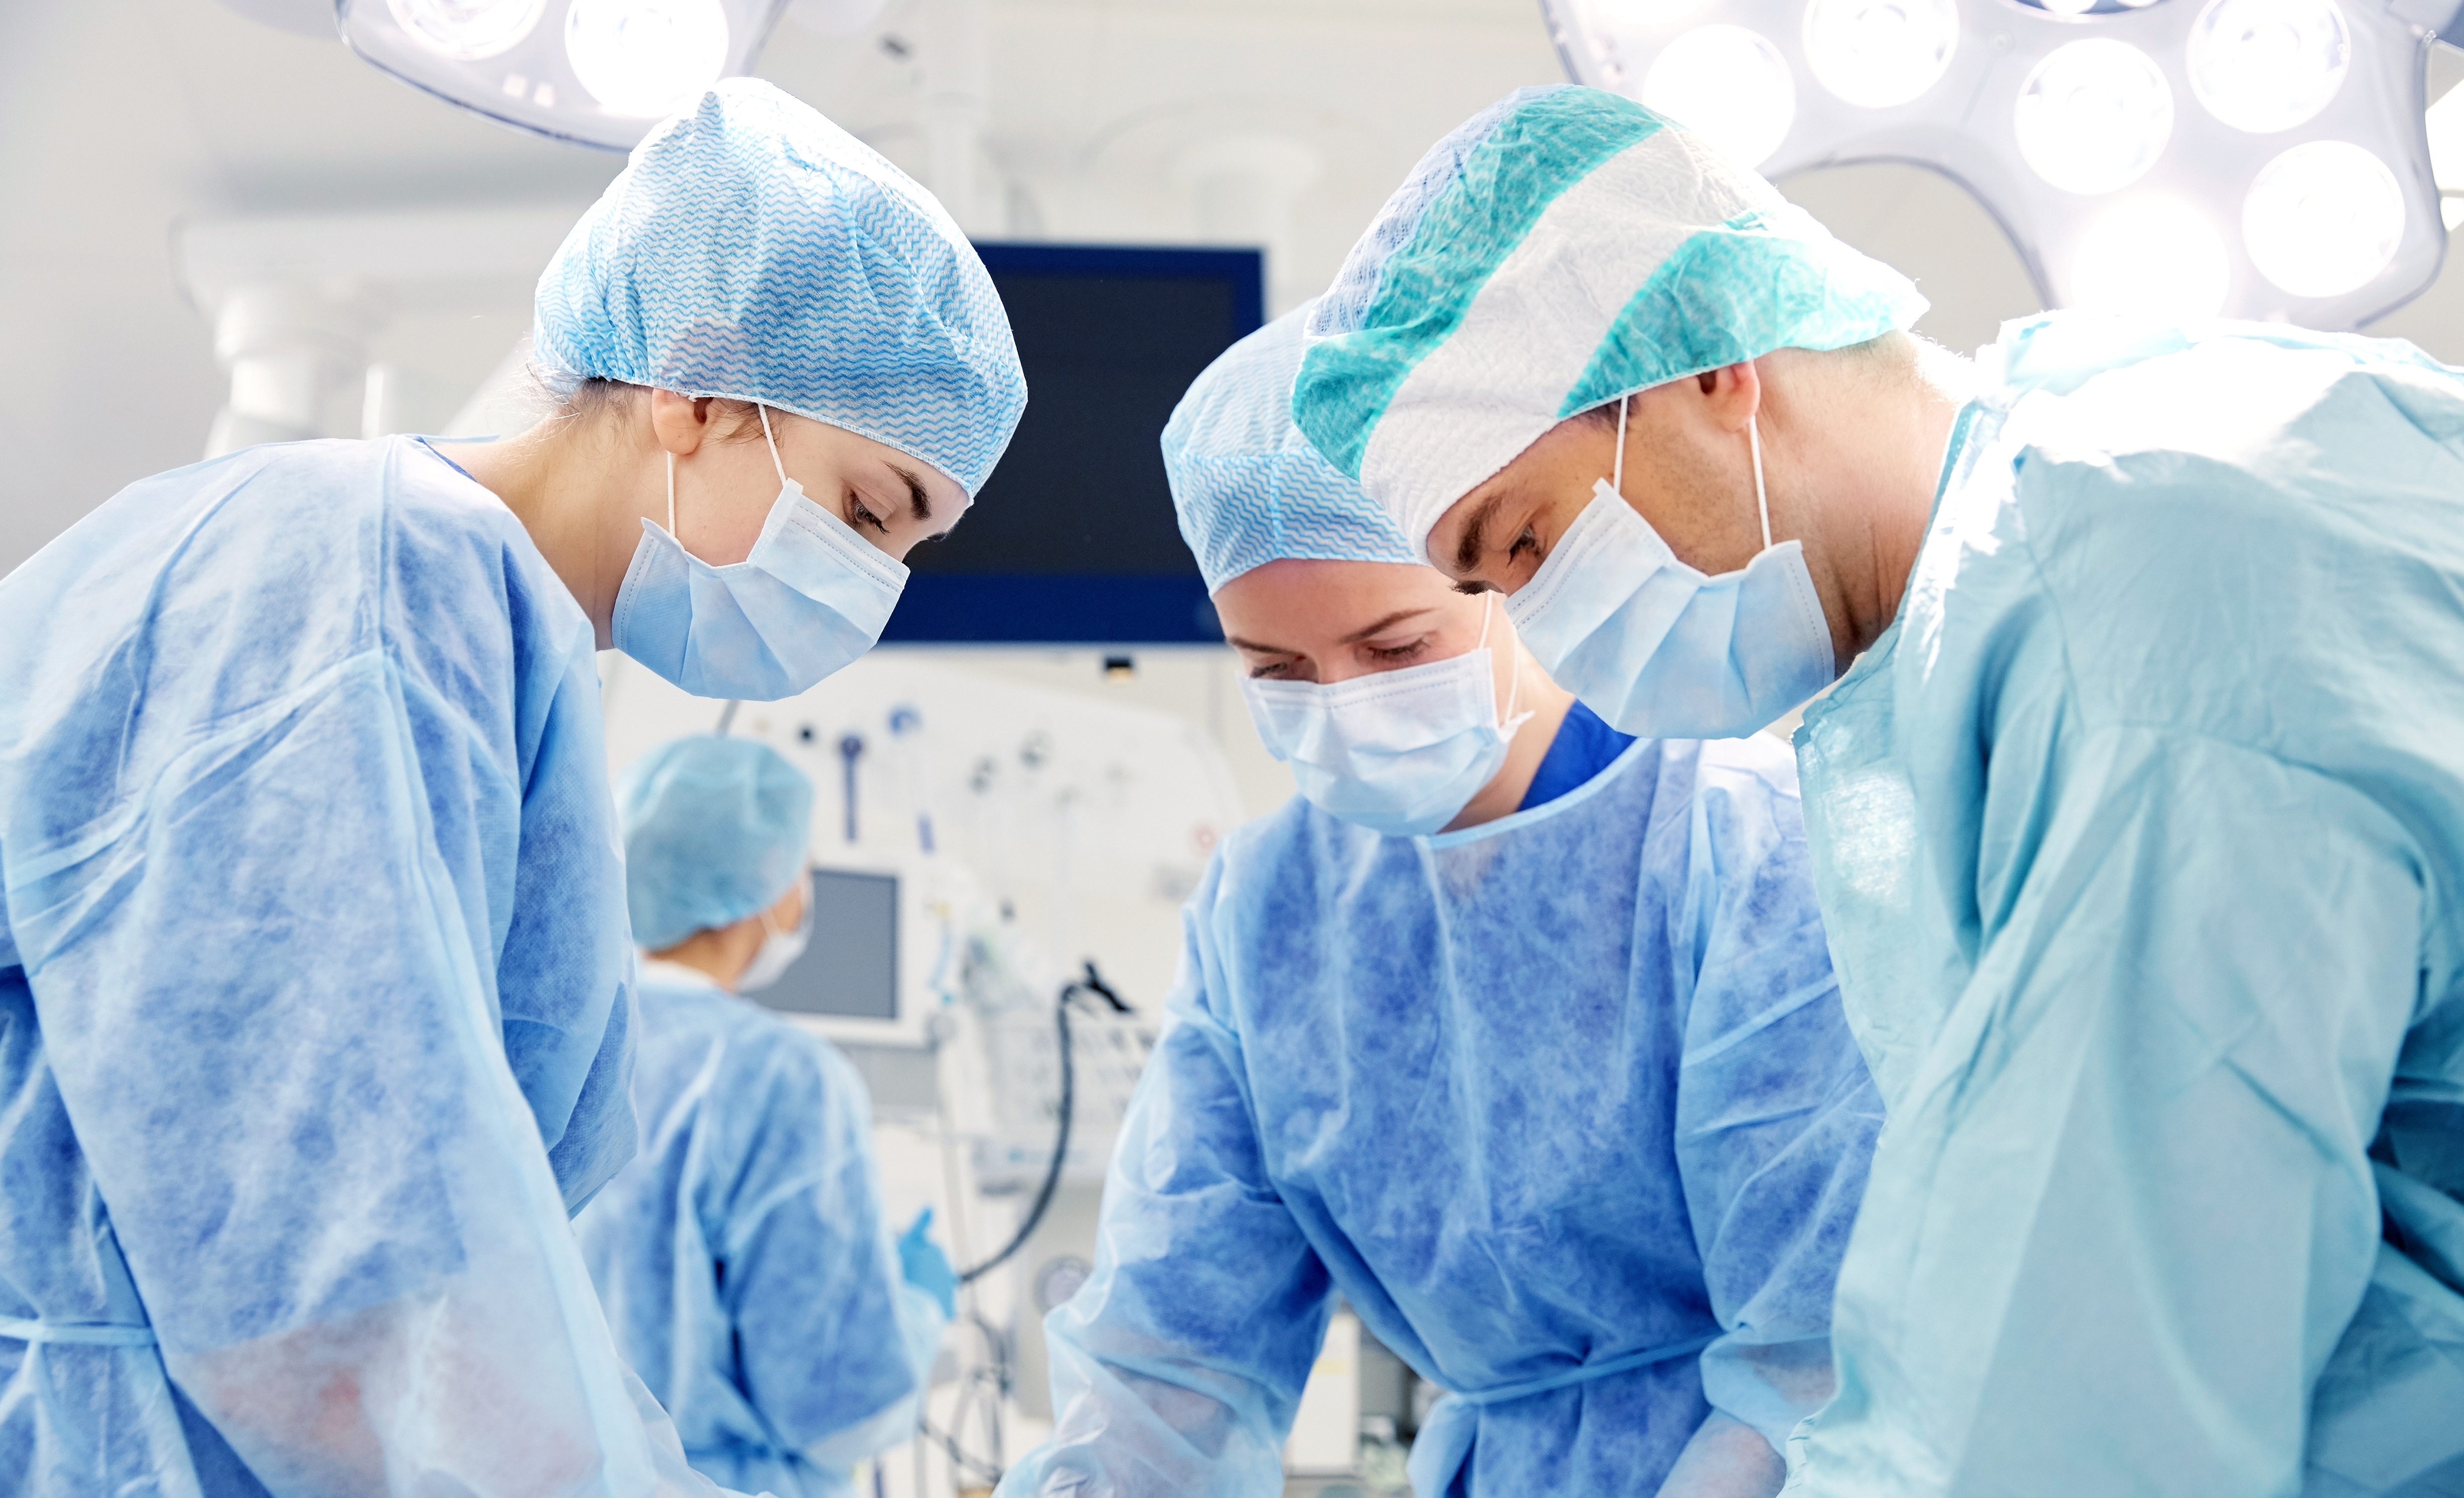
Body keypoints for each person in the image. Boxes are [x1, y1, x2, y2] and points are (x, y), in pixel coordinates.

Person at [1290, 83, 2464, 1496]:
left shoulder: (2133, 614)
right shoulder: (2050, 533)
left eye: (1526, 545)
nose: (1548, 636)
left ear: (1702, 370)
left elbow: (2084, 1398)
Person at [0, 78, 1022, 1495]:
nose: (868, 586)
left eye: (907, 549)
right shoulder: (369, 578)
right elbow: (342, 1283)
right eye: (862, 510)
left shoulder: (487, 635)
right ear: (698, 384)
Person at [994, 307, 1881, 1498]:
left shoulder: (1734, 843)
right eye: (1278, 671)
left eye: (1397, 644)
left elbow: (1818, 1359)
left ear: (1508, 570)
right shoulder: (1268, 914)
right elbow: (1172, 1366)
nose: (1344, 702)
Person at [577, 734, 956, 1498]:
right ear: (766, 890)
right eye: (801, 868)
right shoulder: (779, 1080)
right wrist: (915, 1309)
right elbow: (837, 1406)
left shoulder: (557, 1049)